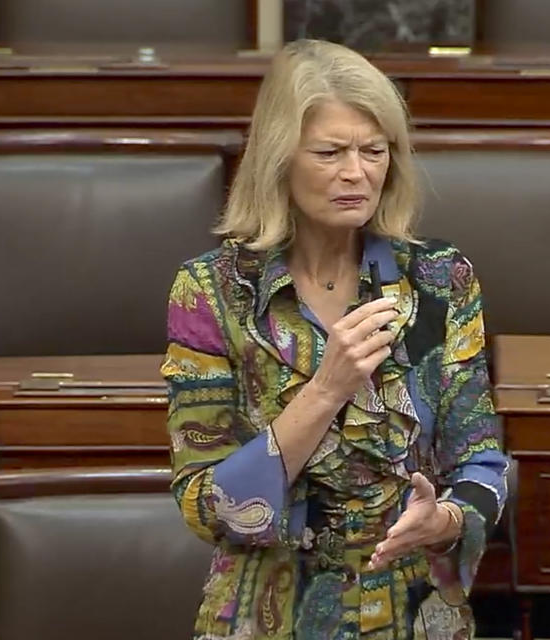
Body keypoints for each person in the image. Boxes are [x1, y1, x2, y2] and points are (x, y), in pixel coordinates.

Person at [161, 39, 508, 640]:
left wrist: (446, 520)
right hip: (268, 610)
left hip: (406, 607)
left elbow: (482, 463)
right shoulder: (211, 292)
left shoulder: (441, 281)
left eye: (374, 151)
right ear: (279, 158)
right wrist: (327, 388)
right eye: (329, 152)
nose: (357, 172)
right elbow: (207, 505)